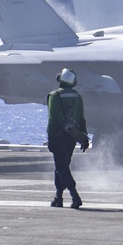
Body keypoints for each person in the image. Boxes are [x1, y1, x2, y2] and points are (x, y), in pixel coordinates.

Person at [46, 68, 89, 208]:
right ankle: (58, 197)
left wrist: (51, 136)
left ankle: (75, 196)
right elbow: (82, 119)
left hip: (58, 137)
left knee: (61, 167)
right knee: (62, 167)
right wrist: (84, 137)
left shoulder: (54, 96)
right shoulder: (77, 96)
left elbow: (53, 119)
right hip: (72, 137)